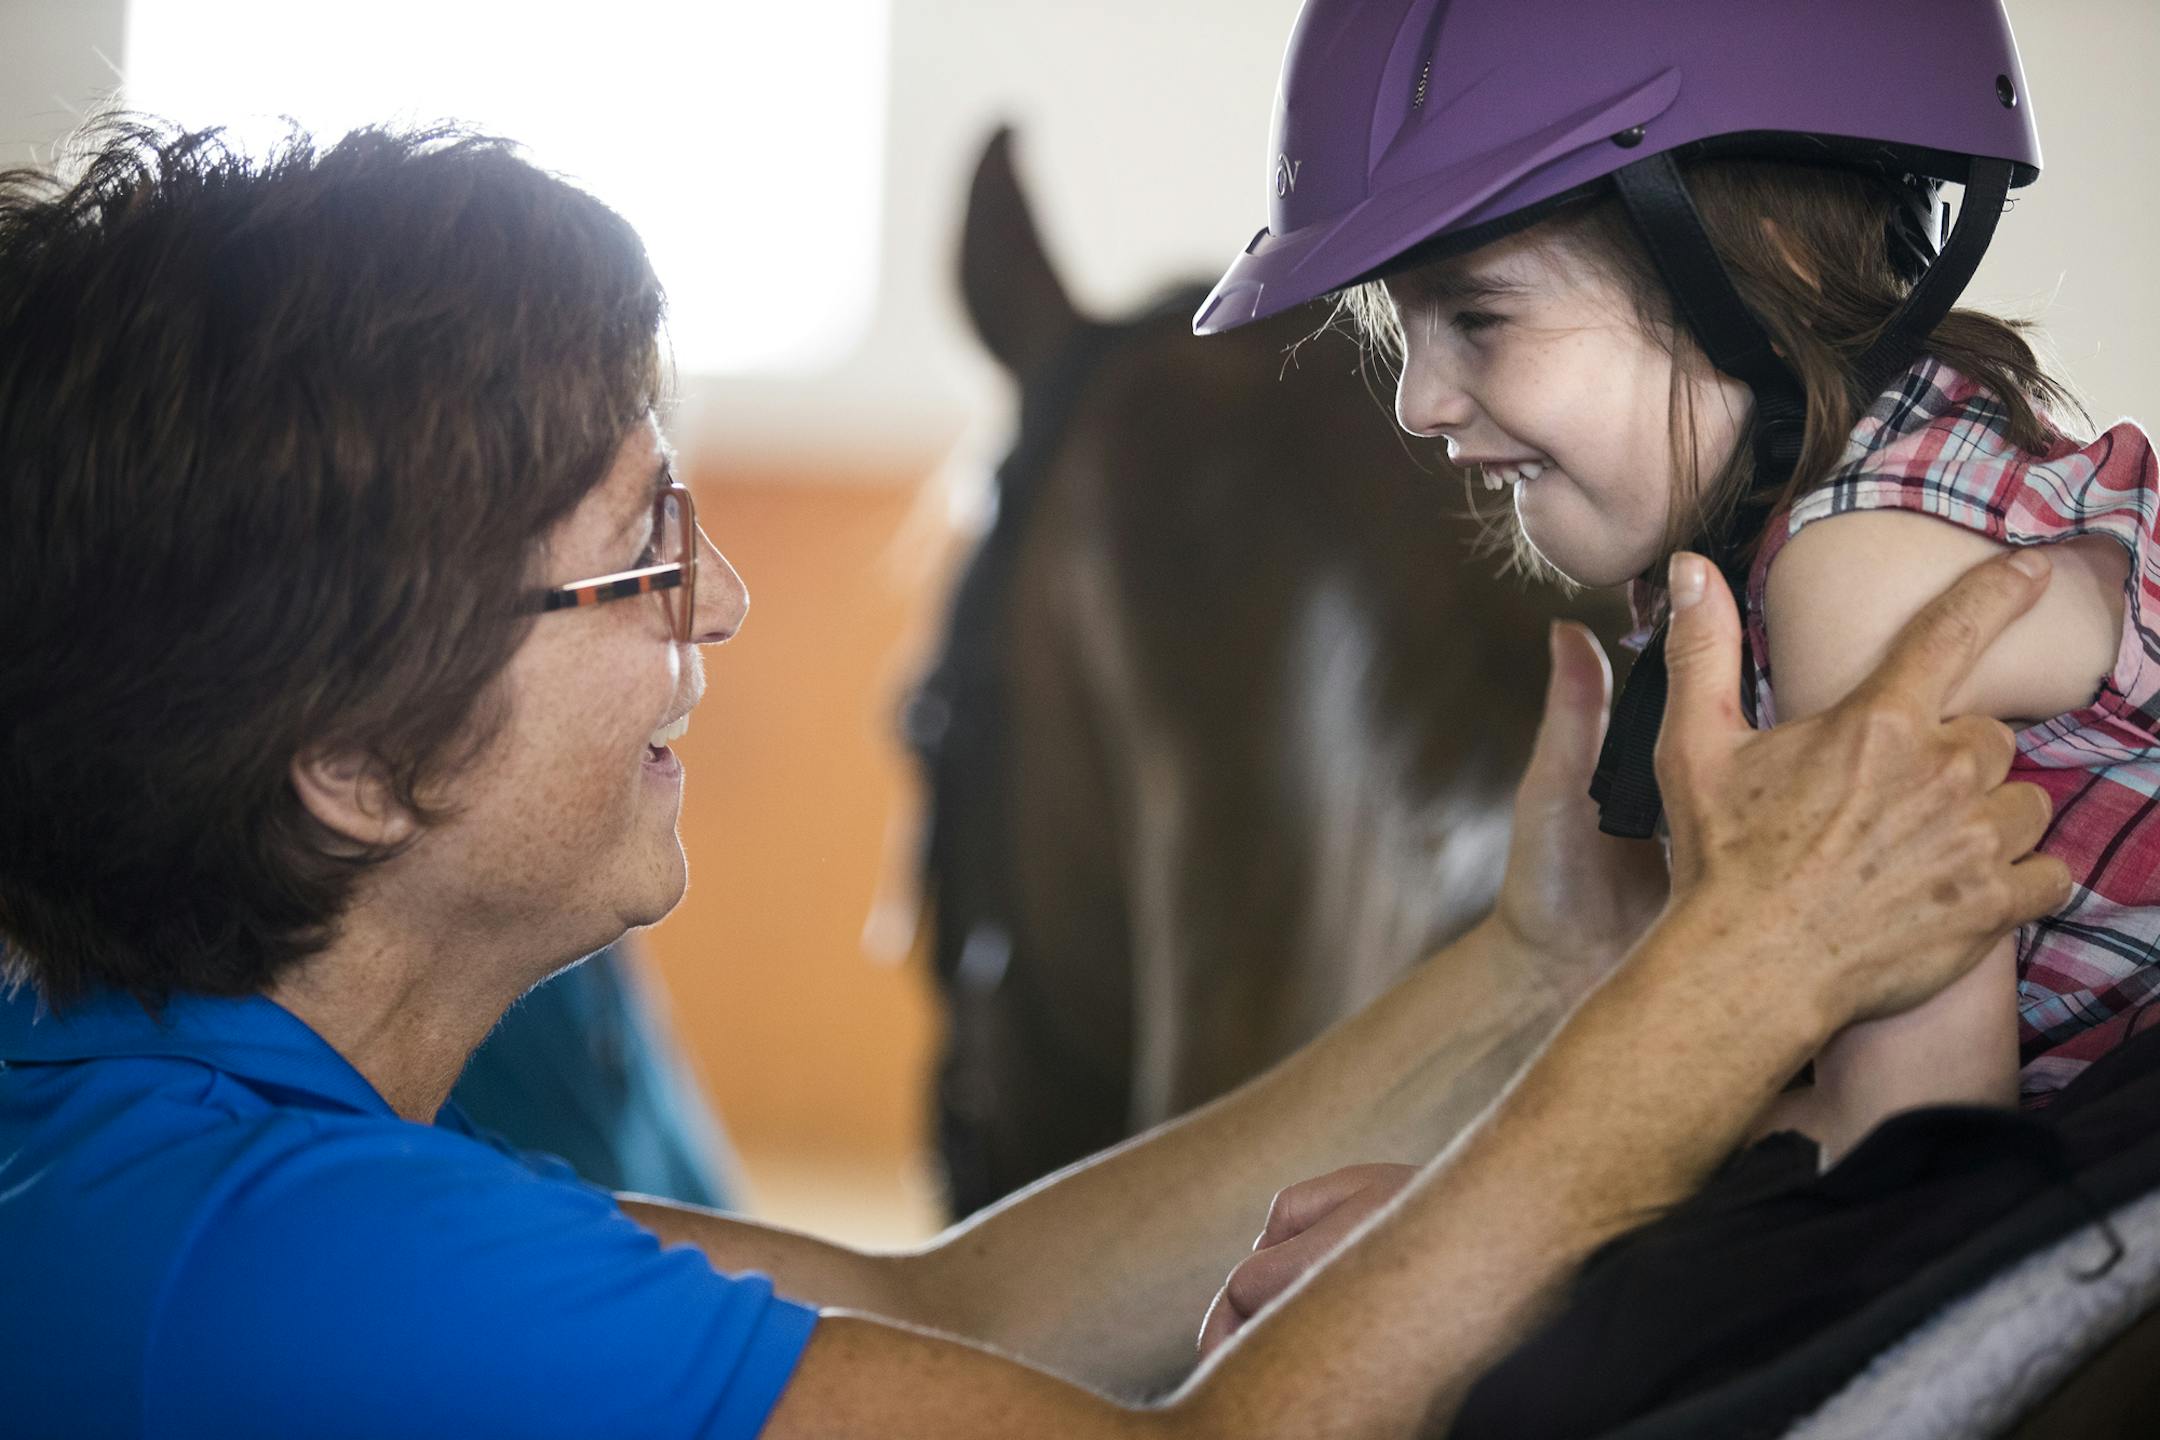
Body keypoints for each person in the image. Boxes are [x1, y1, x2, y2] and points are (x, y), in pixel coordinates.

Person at [0, 119, 2064, 1438]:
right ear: (356, 756)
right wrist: (1718, 1004)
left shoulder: (170, 1141)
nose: (722, 599)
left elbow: (973, 1305)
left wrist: (1535, 977)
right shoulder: (281, 1268)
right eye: (637, 551)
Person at [1195, 0, 2158, 1174]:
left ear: (1758, 274)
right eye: (1407, 331)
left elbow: (1905, 1153)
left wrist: (1488, 1210)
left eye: (1480, 315)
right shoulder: (1873, 490)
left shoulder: (1858, 581)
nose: (1418, 402)